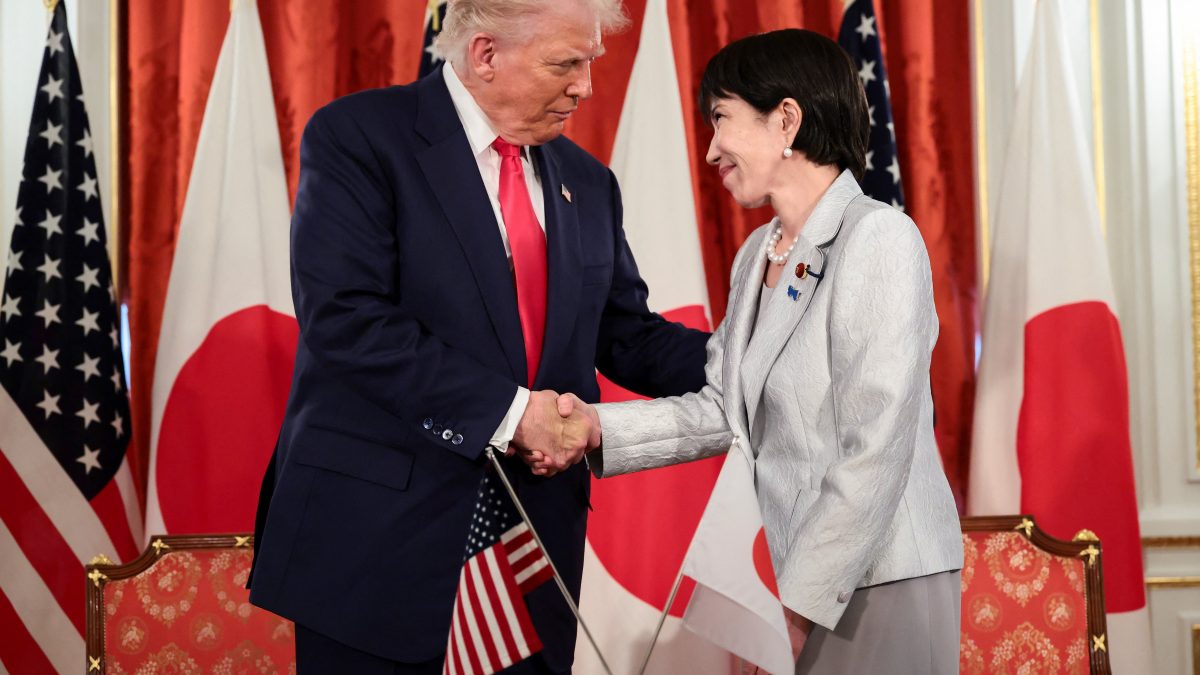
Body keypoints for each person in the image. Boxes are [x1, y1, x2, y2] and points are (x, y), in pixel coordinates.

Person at [247, 1, 709, 672]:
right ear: (485, 54)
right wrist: (517, 414)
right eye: (565, 63)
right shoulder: (359, 138)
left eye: (589, 63)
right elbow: (348, 319)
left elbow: (625, 334)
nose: (584, 85)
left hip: (532, 553)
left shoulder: (588, 182)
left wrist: (756, 358)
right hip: (375, 550)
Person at [557, 29, 964, 673]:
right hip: (783, 580)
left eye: (721, 119)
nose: (712, 148)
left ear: (787, 120)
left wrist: (795, 604)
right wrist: (592, 429)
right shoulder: (756, 256)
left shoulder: (878, 238)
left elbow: (876, 444)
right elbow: (725, 410)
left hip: (874, 582)